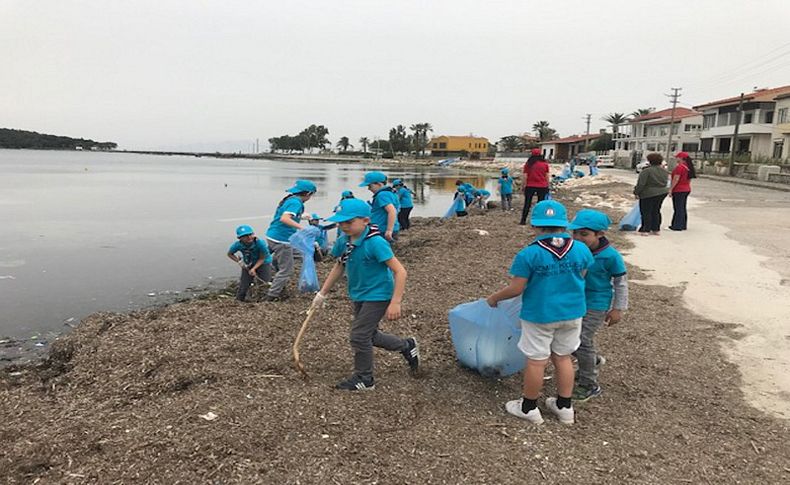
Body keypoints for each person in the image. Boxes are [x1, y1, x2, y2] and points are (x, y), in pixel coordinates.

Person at [486, 200, 594, 424]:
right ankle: (565, 407)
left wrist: (494, 298)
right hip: (573, 312)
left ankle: (529, 407)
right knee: (563, 357)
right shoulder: (581, 248)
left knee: (536, 360)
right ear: (564, 225)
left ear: (535, 226)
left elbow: (517, 288)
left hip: (540, 314)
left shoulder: (530, 254)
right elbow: (582, 274)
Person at [313, 198, 419, 391]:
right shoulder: (343, 241)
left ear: (365, 221)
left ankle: (365, 379)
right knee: (370, 335)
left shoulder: (375, 243)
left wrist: (396, 302)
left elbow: (400, 271)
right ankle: (406, 345)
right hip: (359, 293)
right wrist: (322, 293)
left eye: (349, 222)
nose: (344, 226)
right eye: (341, 222)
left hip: (379, 294)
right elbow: (339, 265)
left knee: (359, 336)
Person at [568, 209, 628, 401]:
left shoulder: (611, 256)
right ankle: (591, 361)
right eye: (574, 233)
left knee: (582, 339)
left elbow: (621, 283)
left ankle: (589, 383)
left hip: (597, 303)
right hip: (575, 300)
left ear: (600, 234)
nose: (577, 237)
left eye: (584, 234)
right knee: (567, 337)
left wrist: (618, 308)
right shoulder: (574, 249)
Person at [264, 179, 317, 301]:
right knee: (287, 270)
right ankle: (271, 296)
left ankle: (275, 269)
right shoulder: (296, 203)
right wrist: (303, 229)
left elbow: (284, 216)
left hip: (273, 236)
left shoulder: (291, 199)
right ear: (308, 194)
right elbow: (284, 219)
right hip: (281, 240)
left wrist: (302, 217)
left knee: (303, 255)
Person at [227, 225, 273, 302]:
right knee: (244, 285)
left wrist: (254, 269)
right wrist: (239, 262)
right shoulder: (238, 245)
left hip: (263, 262)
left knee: (264, 283)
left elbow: (262, 258)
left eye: (250, 234)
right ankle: (239, 301)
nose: (249, 237)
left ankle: (264, 301)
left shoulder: (260, 243)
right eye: (245, 236)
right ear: (240, 238)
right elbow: (230, 254)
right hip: (248, 263)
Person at [633, 153, 669, 236]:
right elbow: (665, 182)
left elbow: (641, 184)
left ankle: (646, 229)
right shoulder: (665, 171)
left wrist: (636, 192)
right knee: (656, 210)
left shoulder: (646, 171)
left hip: (648, 193)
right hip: (662, 192)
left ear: (649, 161)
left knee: (646, 211)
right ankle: (656, 229)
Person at [360, 171, 400, 241]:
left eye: (370, 186)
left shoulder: (382, 195)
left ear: (378, 184)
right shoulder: (390, 192)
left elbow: (392, 211)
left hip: (383, 229)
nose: (368, 188)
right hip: (388, 228)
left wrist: (389, 230)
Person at [519, 148, 551, 225]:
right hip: (542, 186)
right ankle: (538, 221)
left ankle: (523, 220)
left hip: (530, 185)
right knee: (541, 204)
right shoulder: (545, 164)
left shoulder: (528, 164)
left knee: (527, 203)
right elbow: (547, 176)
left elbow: (525, 176)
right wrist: (548, 185)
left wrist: (523, 186)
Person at [669, 151, 696, 231]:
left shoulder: (680, 167)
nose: (676, 159)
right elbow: (689, 179)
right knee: (682, 207)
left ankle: (677, 225)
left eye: (677, 157)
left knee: (678, 208)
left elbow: (676, 179)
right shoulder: (688, 167)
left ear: (681, 158)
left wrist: (671, 189)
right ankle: (683, 224)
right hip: (686, 188)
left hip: (679, 189)